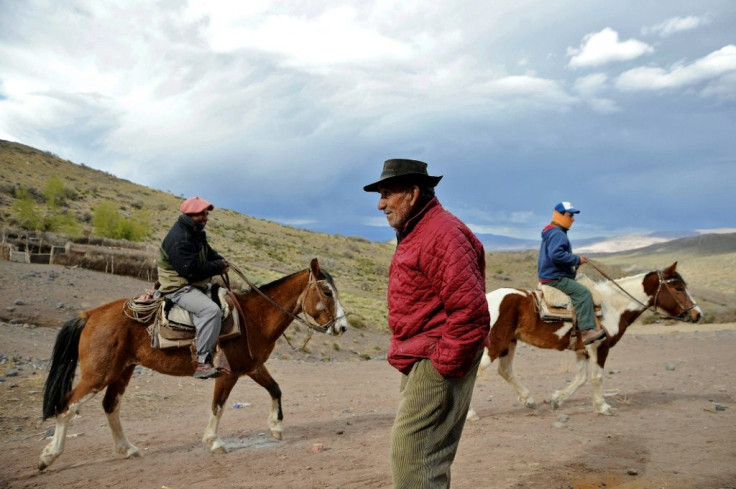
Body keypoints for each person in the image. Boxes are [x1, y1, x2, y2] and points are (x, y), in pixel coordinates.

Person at [364, 159, 490, 489]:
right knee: (425, 458)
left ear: (413, 192)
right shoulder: (421, 230)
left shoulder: (441, 233)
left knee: (412, 461)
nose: (380, 204)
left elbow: (472, 312)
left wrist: (442, 366)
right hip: (425, 353)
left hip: (436, 356)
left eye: (387, 193)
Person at [157, 196, 230, 379]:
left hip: (192, 283)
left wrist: (221, 260)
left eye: (206, 214)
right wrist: (219, 266)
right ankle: (203, 362)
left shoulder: (196, 232)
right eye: (201, 214)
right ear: (189, 215)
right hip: (178, 287)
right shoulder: (179, 238)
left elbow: (209, 253)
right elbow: (191, 271)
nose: (206, 218)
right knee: (211, 311)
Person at [537, 201, 605, 347]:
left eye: (573, 216)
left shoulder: (552, 231)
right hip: (556, 277)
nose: (573, 219)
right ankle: (587, 331)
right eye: (570, 215)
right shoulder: (558, 233)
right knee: (583, 293)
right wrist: (576, 259)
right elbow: (556, 255)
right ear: (559, 215)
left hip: (550, 275)